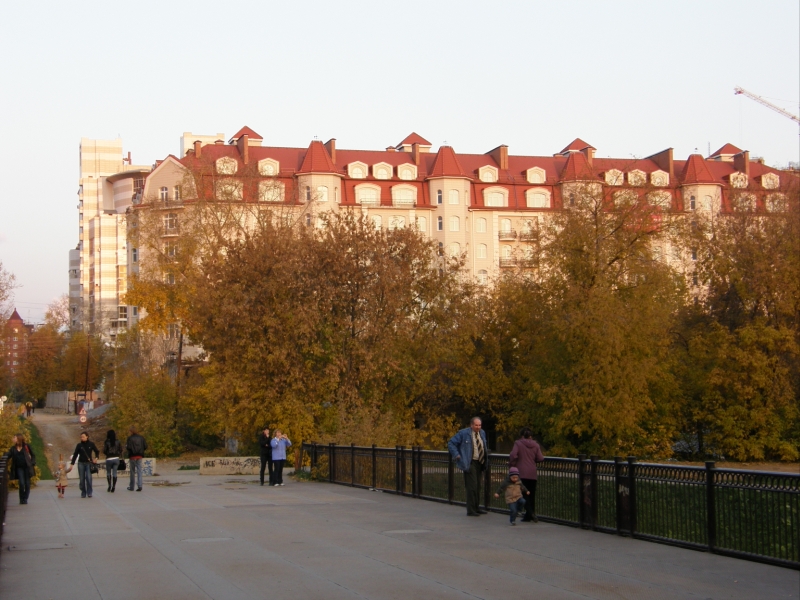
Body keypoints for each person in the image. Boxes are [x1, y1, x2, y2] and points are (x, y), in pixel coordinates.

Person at [447, 417, 489, 517]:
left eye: (479, 425)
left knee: (478, 486)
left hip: (480, 462)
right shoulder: (464, 433)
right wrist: (457, 455)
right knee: (472, 487)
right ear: (471, 425)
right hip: (470, 462)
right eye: (476, 425)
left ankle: (476, 507)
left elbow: (483, 445)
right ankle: (471, 510)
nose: (478, 427)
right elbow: (451, 443)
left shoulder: (482, 433)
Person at [509, 427, 545, 522]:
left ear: (521, 435)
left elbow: (513, 455)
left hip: (521, 473)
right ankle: (529, 516)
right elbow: (540, 458)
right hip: (532, 473)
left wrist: (513, 464)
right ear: (531, 436)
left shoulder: (518, 443)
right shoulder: (536, 445)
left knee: (523, 494)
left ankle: (531, 513)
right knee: (531, 495)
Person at [70, 431, 100, 499]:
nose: (82, 438)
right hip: (81, 463)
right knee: (82, 479)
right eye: (81, 437)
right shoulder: (79, 445)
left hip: (88, 463)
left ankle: (89, 492)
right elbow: (75, 454)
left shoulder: (91, 444)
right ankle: (83, 492)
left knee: (89, 478)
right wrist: (72, 463)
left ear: (87, 437)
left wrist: (96, 458)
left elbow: (97, 451)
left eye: (83, 437)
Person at [8, 433, 36, 504]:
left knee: (27, 484)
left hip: (27, 467)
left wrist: (32, 463)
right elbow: (8, 455)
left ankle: (25, 498)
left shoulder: (26, 446)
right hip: (19, 468)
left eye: (14, 438)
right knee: (21, 483)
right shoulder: (13, 448)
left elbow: (33, 455)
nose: (13, 439)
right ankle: (21, 498)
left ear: (18, 439)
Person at [126, 425, 147, 492]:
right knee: (139, 471)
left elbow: (128, 447)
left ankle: (132, 486)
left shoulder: (130, 438)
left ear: (131, 431)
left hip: (132, 456)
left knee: (132, 472)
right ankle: (140, 485)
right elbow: (145, 446)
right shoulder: (141, 438)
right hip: (139, 456)